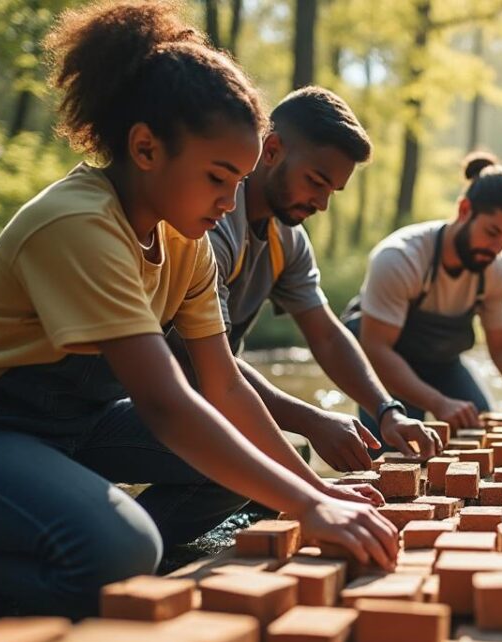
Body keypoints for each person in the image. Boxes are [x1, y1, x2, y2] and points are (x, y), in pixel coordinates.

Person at [0, 1, 396, 619]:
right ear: (146, 148)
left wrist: (315, 492)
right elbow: (165, 403)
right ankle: (65, 562)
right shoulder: (80, 225)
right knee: (124, 546)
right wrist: (309, 506)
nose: (230, 199)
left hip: (80, 424)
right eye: (216, 177)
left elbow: (224, 385)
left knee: (231, 476)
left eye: (238, 181)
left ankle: (94, 553)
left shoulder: (186, 241)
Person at [167, 86, 441, 471]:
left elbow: (326, 336)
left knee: (292, 460)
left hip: (215, 397)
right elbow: (201, 359)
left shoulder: (289, 239)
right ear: (273, 150)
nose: (323, 203)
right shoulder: (213, 225)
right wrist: (312, 421)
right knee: (270, 463)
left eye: (333, 191)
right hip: (157, 396)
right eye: (316, 181)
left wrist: (386, 410)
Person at [344, 152, 502, 435]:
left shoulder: (496, 270)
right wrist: (439, 403)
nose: (496, 248)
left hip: (443, 364)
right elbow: (376, 350)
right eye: (492, 232)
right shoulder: (399, 258)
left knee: (481, 432)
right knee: (394, 453)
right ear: (464, 210)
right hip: (385, 366)